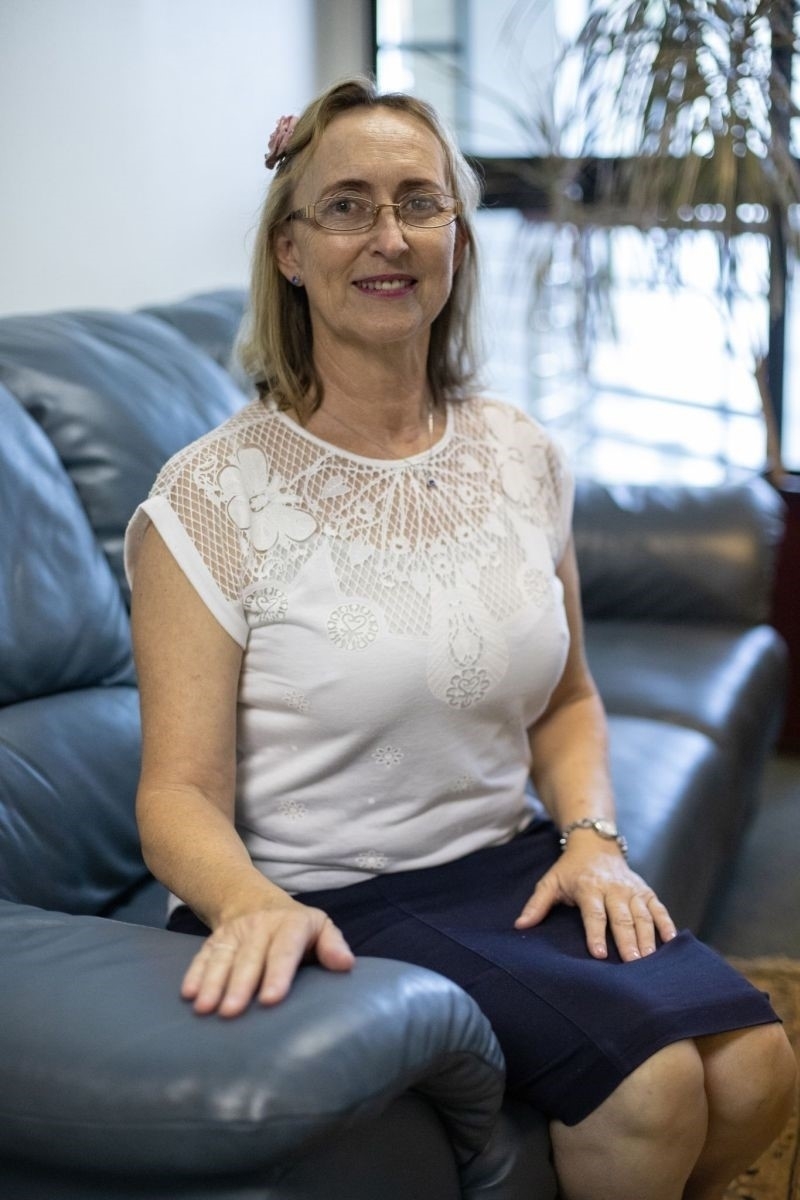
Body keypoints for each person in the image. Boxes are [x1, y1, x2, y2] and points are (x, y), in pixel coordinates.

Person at [125, 77, 795, 1200]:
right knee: (650, 1091)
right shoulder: (207, 500)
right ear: (290, 251)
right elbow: (176, 794)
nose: (387, 237)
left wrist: (592, 839)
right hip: (328, 894)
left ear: (456, 238)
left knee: (757, 1065)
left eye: (419, 203)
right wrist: (250, 904)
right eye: (347, 206)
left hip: (512, 860)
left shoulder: (518, 452)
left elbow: (569, 699)